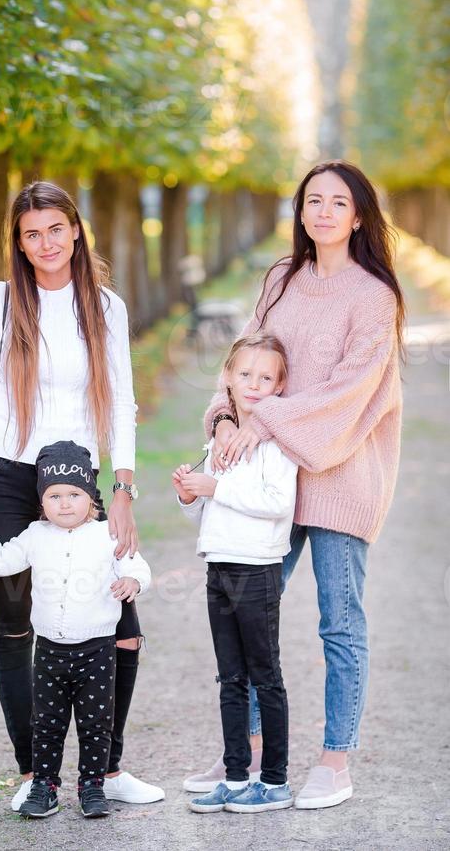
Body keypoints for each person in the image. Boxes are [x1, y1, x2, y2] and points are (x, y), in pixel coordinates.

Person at [184, 159, 404, 809]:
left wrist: (268, 418)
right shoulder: (281, 278)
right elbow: (251, 362)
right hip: (268, 478)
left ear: (359, 214)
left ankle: (335, 761)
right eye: (314, 200)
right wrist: (227, 414)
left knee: (339, 621)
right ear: (301, 210)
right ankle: (245, 754)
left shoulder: (374, 295)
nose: (325, 211)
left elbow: (349, 393)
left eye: (339, 202)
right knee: (252, 616)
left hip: (340, 476)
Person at [0, 180, 163, 808]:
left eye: (55, 229)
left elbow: (121, 399)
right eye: (30, 233)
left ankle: (106, 769)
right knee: (18, 625)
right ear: (17, 243)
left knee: (119, 621)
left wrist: (122, 488)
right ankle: (33, 776)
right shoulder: (0, 300)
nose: (44, 243)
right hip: (7, 474)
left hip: (76, 476)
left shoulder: (105, 306)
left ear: (76, 231)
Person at [0, 440, 151, 819]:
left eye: (74, 494)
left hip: (97, 652)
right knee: (47, 724)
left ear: (91, 498)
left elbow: (136, 564)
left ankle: (92, 786)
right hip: (50, 652)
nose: (65, 503)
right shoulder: (35, 536)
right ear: (42, 501)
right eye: (54, 496)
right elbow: (2, 563)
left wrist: (132, 583)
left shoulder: (107, 534)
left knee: (95, 723)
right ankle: (44, 786)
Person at [173, 333, 298, 814]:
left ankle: (274, 780)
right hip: (219, 565)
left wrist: (215, 488)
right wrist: (190, 493)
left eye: (266, 377)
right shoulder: (217, 438)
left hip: (258, 569)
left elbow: (277, 504)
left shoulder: (276, 444)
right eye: (245, 374)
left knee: (265, 675)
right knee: (230, 678)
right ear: (227, 377)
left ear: (280, 386)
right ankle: (233, 774)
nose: (254, 384)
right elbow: (203, 511)